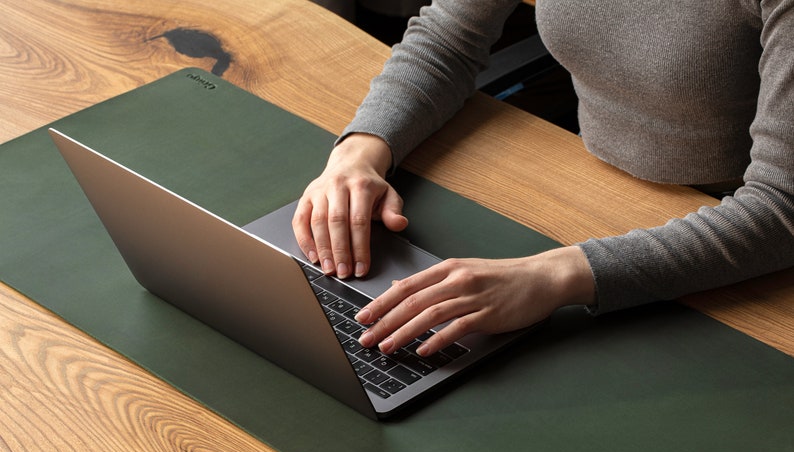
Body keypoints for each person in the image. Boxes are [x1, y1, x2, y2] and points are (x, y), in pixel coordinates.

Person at [292, 0, 794, 358]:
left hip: (733, 257)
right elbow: (447, 39)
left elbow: (781, 206)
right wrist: (359, 153)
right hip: (588, 192)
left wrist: (553, 277)